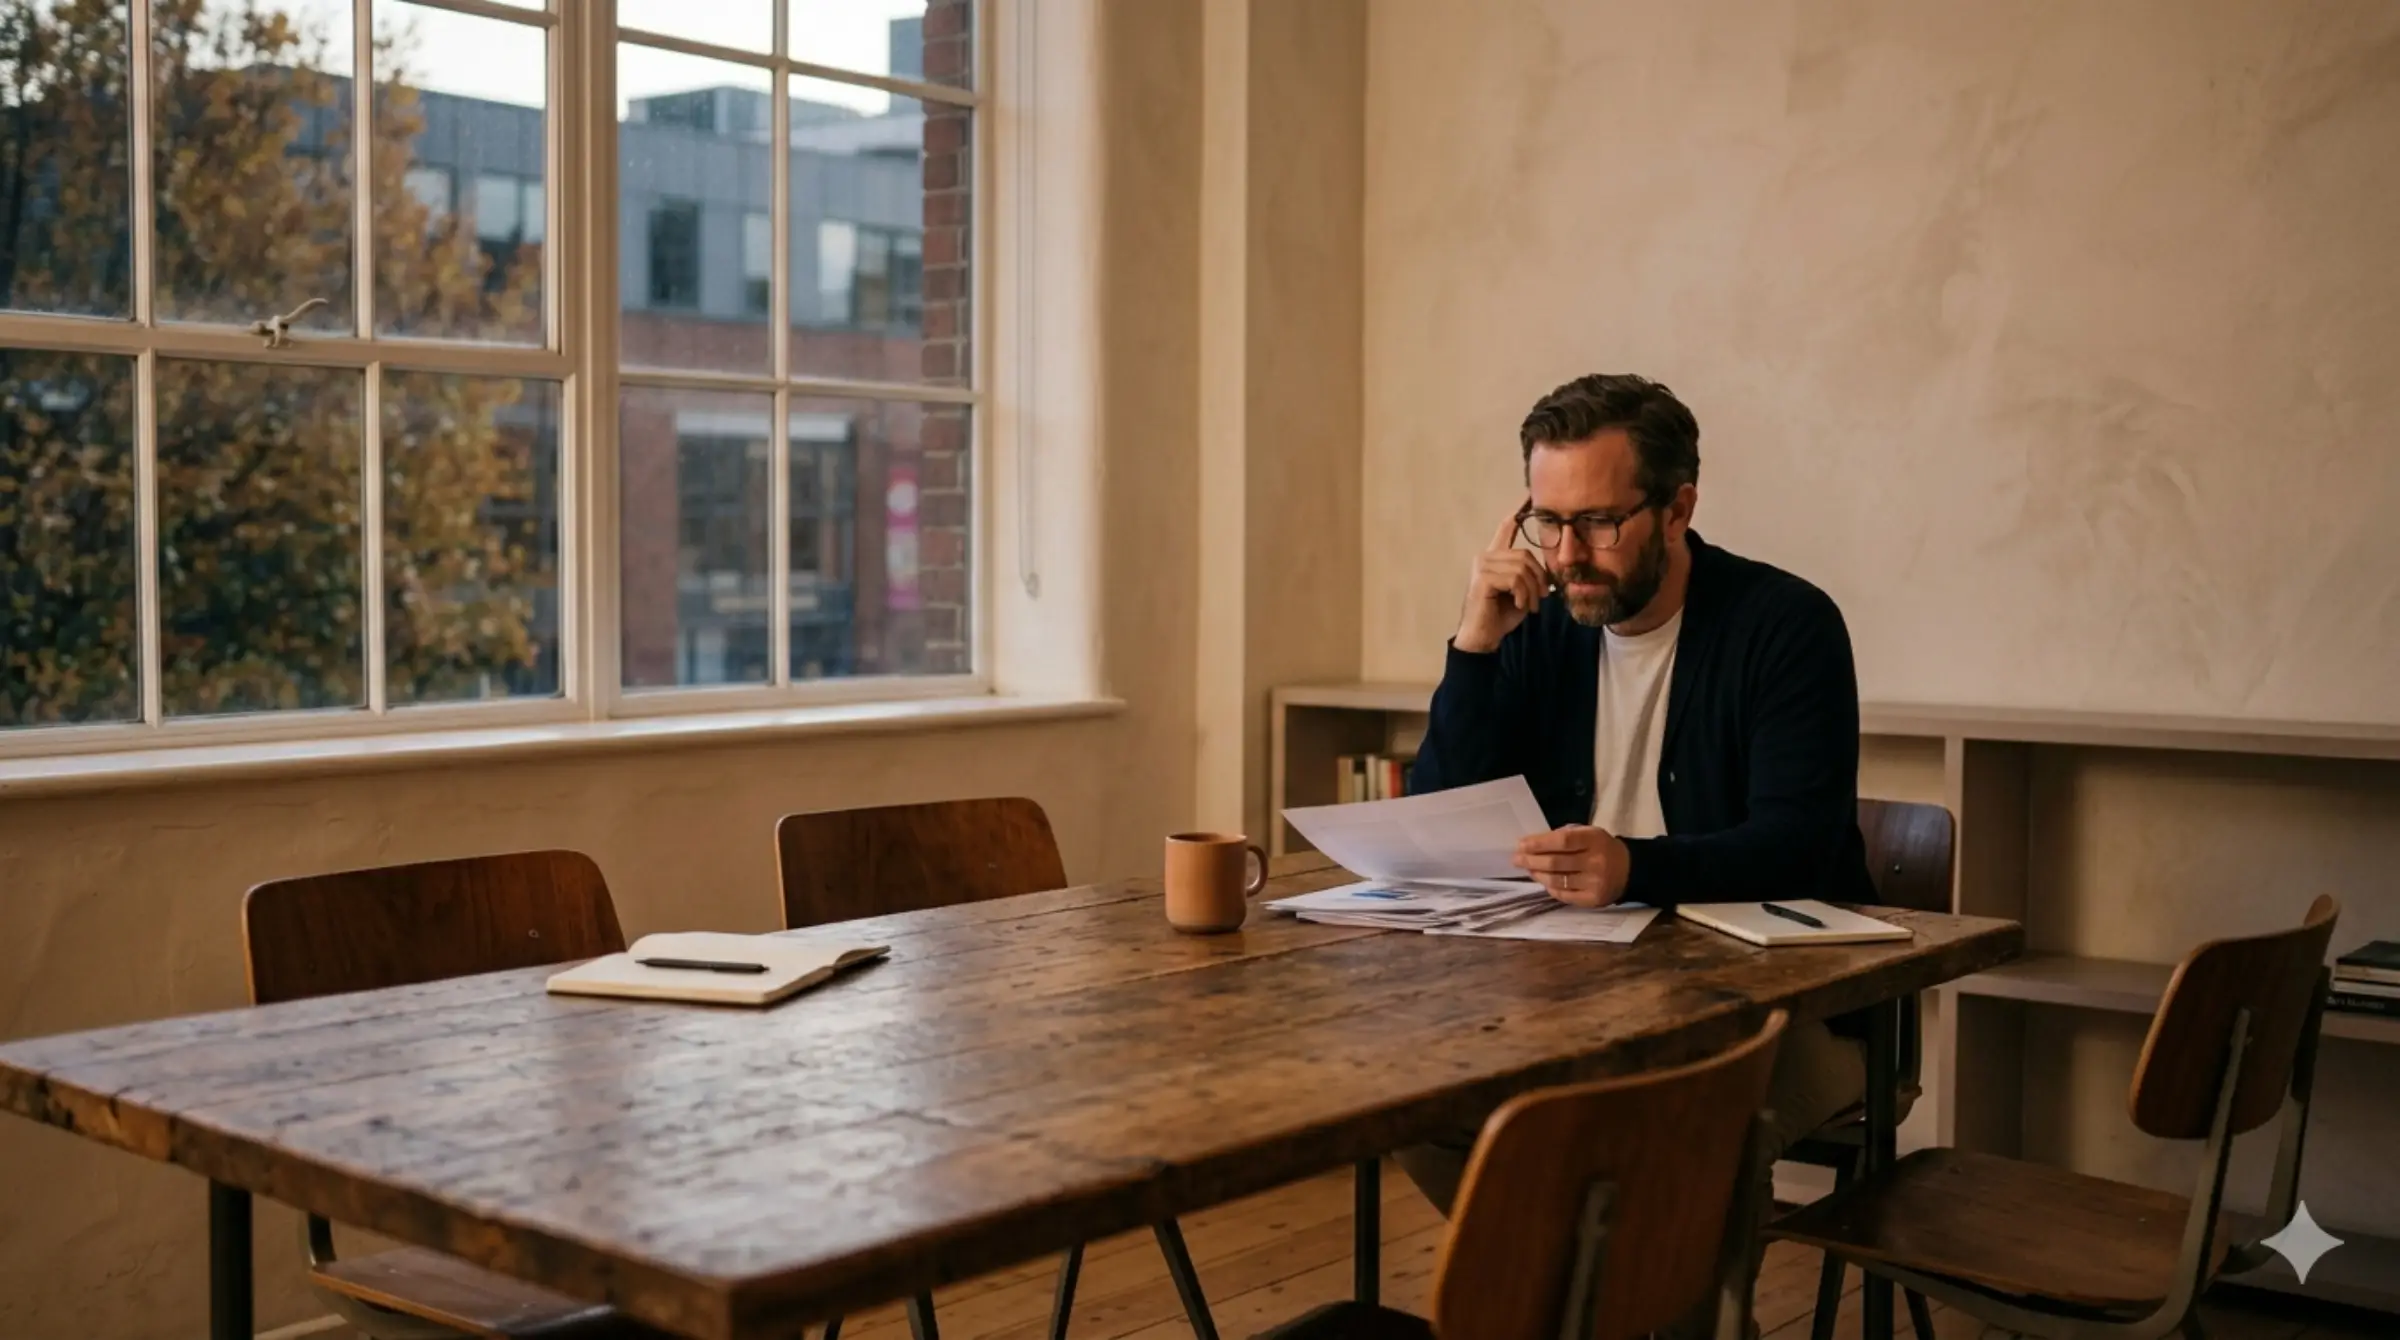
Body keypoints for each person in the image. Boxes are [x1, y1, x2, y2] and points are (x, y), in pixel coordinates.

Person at [1397, 373, 1879, 1216]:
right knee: (1417, 1106)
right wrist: (1474, 644)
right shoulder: (1536, 623)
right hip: (1572, 1002)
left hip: (1783, 1012)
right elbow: (1443, 817)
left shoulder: (1786, 625)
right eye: (1548, 522)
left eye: (1599, 522)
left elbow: (1798, 843)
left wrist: (1634, 869)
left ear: (1678, 509)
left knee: (1670, 1133)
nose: (1569, 554)